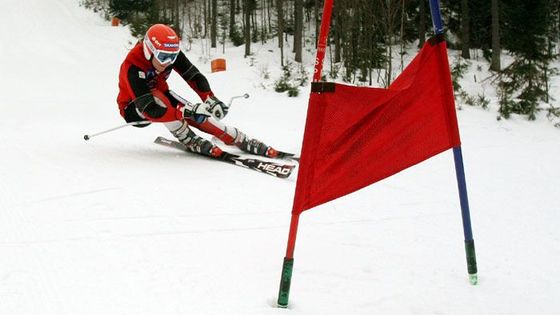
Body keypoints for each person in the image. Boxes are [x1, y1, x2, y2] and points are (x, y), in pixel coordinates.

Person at [117, 24, 278, 158]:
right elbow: (150, 109)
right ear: (149, 50)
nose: (168, 62)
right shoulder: (132, 66)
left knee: (201, 116)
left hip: (161, 96)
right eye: (163, 57)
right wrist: (185, 112)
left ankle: (239, 138)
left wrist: (210, 99)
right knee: (166, 103)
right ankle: (187, 137)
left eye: (172, 57)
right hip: (135, 108)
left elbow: (193, 75)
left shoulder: (168, 53)